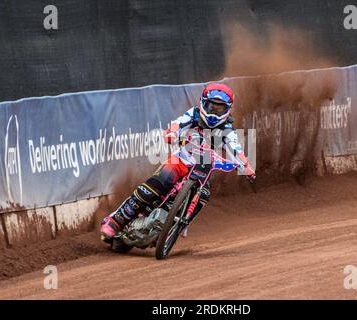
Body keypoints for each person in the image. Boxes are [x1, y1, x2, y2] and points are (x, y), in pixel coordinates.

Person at [100, 83, 256, 243]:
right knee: (160, 181)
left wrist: (247, 167)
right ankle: (116, 221)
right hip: (180, 160)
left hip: (202, 170)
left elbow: (236, 150)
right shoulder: (194, 114)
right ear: (203, 103)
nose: (214, 113)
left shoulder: (227, 131)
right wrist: (172, 133)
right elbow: (178, 123)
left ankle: (179, 225)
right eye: (211, 107)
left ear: (228, 109)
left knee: (204, 194)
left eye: (219, 109)